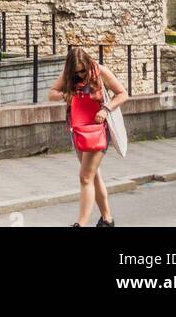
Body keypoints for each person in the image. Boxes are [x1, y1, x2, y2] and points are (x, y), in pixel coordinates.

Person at [48, 45, 127, 227]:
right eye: (77, 73)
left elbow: (123, 94)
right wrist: (64, 94)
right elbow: (51, 94)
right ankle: (107, 219)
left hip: (99, 130)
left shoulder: (100, 72)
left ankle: (81, 224)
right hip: (79, 130)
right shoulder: (68, 75)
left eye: (83, 71)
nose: (81, 75)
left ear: (88, 63)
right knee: (93, 175)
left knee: (85, 177)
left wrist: (106, 109)